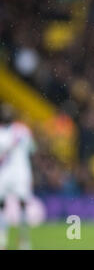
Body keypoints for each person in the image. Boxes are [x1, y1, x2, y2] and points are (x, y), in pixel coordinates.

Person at [0, 104, 36, 250]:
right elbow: (32, 148)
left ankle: (23, 240)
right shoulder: (20, 131)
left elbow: (32, 147)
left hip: (19, 171)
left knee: (22, 204)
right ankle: (4, 239)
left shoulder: (22, 130)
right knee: (3, 204)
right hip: (8, 171)